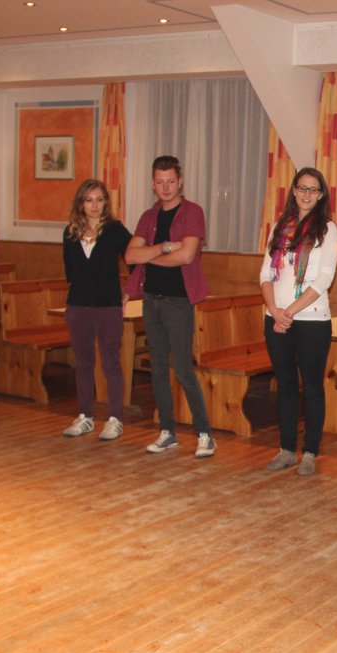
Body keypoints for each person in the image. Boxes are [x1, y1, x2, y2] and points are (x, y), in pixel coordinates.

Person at [124, 156, 215, 458]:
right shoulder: (148, 217)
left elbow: (186, 256)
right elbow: (130, 256)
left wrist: (149, 255)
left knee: (184, 370)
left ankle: (204, 434)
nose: (165, 188)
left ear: (180, 182)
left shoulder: (192, 212)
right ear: (153, 184)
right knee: (158, 368)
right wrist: (164, 248)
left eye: (171, 182)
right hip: (151, 299)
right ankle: (167, 432)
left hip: (178, 301)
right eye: (160, 182)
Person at [259, 168, 337, 476]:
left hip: (312, 321)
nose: (306, 194)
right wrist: (274, 310)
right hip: (276, 318)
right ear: (293, 190)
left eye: (313, 189)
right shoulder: (279, 227)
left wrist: (288, 312)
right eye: (302, 188)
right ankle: (286, 449)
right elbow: (265, 274)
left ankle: (310, 452)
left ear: (321, 195)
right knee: (286, 385)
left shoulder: (327, 229)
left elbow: (324, 279)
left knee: (313, 387)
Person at [61, 179, 133, 441]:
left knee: (110, 362)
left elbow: (135, 262)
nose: (94, 205)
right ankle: (85, 416)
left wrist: (129, 293)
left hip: (107, 306)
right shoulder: (70, 232)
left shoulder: (115, 230)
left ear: (105, 203)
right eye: (89, 200)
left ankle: (115, 419)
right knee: (83, 363)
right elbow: (69, 270)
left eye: (99, 200)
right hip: (78, 306)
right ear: (81, 203)